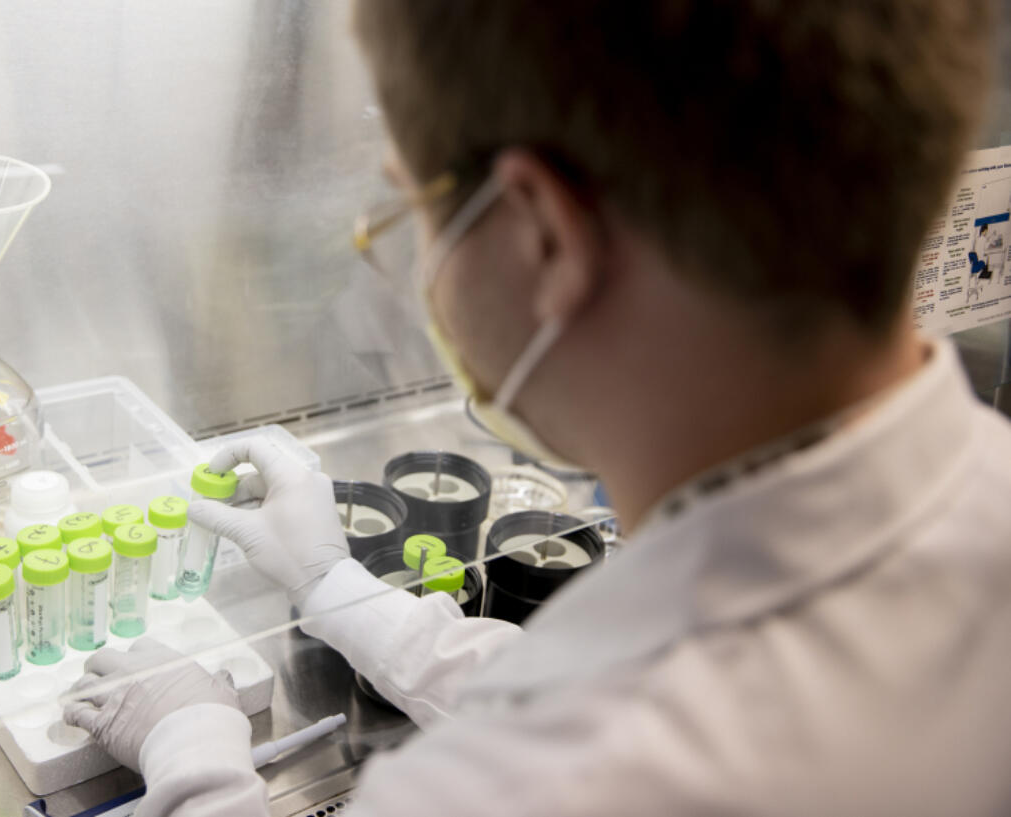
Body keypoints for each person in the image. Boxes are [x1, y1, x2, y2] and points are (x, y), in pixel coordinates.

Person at [62, 2, 1011, 814]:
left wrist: (199, 758)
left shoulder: (526, 781)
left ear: (541, 238)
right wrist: (336, 586)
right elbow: (596, 687)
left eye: (409, 215)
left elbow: (588, 733)